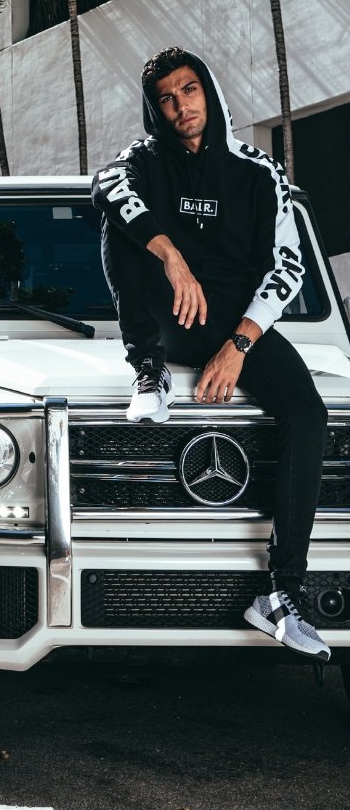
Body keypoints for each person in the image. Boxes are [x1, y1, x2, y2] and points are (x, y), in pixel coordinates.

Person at [91, 46, 329, 661]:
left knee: (309, 411)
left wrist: (239, 346)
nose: (181, 106)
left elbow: (289, 264)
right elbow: (109, 190)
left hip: (235, 326)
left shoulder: (257, 171)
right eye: (166, 99)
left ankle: (281, 594)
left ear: (208, 91)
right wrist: (172, 258)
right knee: (121, 225)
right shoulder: (137, 165)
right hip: (165, 320)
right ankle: (147, 371)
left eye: (189, 90)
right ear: (155, 110)